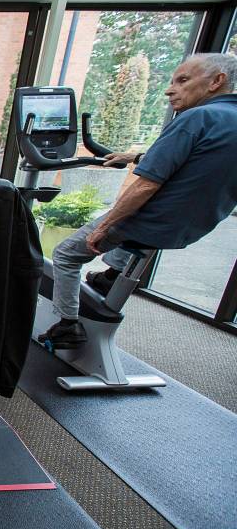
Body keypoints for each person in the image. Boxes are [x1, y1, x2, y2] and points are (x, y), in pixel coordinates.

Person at [39, 52, 237, 348]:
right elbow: (199, 161)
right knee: (124, 238)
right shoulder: (228, 120)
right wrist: (136, 157)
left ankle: (68, 324)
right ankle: (111, 275)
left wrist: (104, 225)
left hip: (151, 219)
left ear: (216, 81)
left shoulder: (196, 117)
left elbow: (145, 186)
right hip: (190, 226)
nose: (170, 89)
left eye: (182, 80)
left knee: (69, 252)